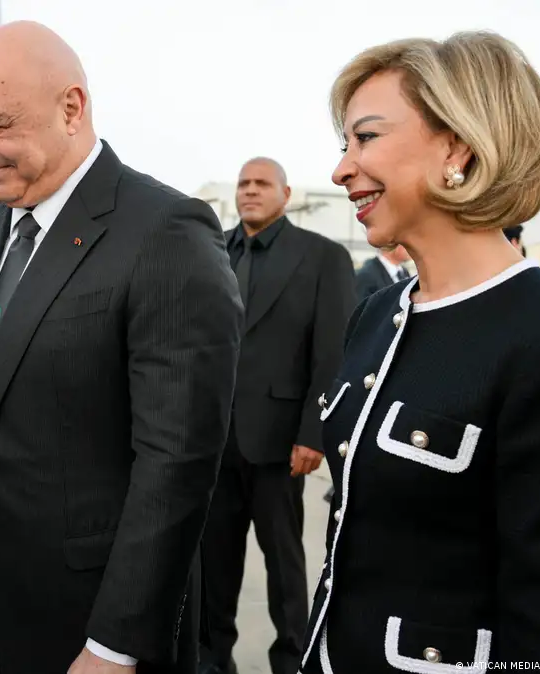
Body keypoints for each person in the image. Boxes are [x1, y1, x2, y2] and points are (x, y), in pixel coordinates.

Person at [0, 20, 243, 674]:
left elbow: (176, 461)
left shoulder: (165, 233)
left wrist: (117, 644)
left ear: (71, 108)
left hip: (93, 625)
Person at [301, 31, 540, 672]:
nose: (341, 169)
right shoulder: (375, 315)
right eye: (345, 145)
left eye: (366, 137)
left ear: (458, 146)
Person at [198, 157, 355, 674]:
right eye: (243, 183)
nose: (250, 190)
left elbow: (331, 355)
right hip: (213, 441)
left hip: (281, 443)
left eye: (262, 183)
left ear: (286, 195)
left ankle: (293, 659)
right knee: (213, 564)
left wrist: (314, 433)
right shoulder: (209, 250)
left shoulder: (322, 256)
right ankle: (212, 659)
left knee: (284, 565)